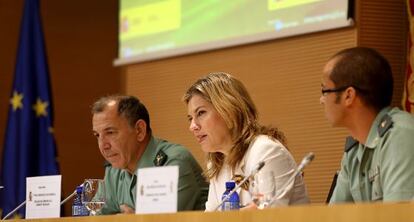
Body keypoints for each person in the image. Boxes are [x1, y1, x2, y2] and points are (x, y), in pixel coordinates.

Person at [183, 72, 309, 211]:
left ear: (229, 111)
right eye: (190, 118)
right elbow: (212, 214)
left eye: (200, 113)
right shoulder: (217, 162)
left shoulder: (267, 151)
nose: (193, 126)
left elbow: (268, 215)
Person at [320, 47, 414, 203]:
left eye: (324, 90)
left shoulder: (400, 136)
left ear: (348, 96)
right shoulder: (354, 151)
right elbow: (334, 217)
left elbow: (399, 216)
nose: (321, 100)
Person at [91, 95, 208, 214]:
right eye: (97, 135)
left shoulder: (172, 163)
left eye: (110, 132)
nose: (103, 146)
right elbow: (93, 218)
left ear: (139, 130)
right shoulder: (113, 171)